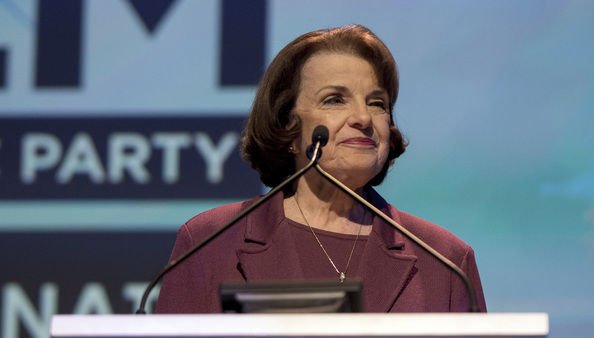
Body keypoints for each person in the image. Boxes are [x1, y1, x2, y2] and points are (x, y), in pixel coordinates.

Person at [156, 25, 486, 314]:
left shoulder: (446, 261)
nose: (364, 118)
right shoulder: (209, 243)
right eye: (334, 100)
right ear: (287, 127)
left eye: (377, 103)